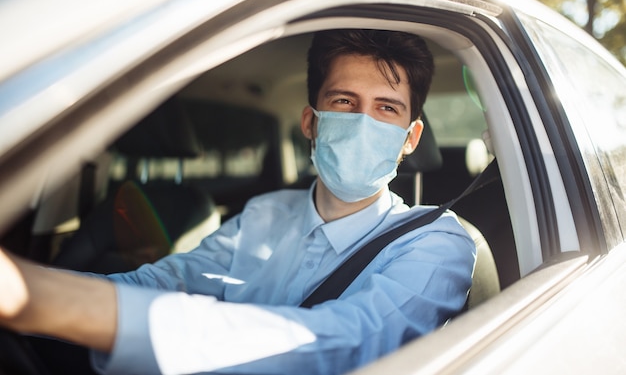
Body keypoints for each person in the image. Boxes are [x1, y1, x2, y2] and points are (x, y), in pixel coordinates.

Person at [0, 29, 476, 375]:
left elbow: (348, 343)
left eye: (386, 108)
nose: (363, 122)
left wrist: (35, 299)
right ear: (311, 123)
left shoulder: (437, 243)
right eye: (345, 103)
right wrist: (45, 285)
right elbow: (171, 278)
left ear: (410, 137)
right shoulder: (266, 212)